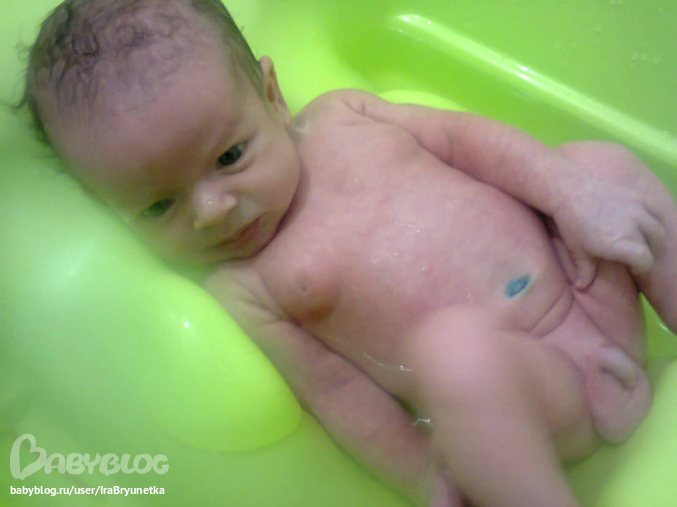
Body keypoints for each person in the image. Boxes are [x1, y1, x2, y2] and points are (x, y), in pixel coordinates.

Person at [16, 1, 677, 506]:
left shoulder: (344, 115)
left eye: (230, 156)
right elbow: (334, 391)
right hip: (526, 397)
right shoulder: (245, 285)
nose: (212, 209)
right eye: (160, 206)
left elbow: (467, 140)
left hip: (589, 292)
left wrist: (567, 191)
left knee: (602, 166)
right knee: (454, 353)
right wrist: (423, 474)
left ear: (271, 96)